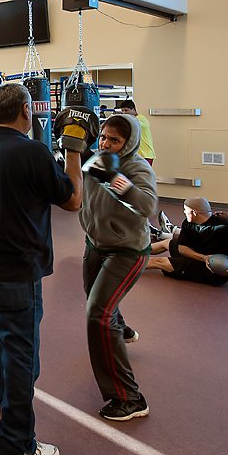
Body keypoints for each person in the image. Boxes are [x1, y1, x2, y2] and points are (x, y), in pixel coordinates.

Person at [0, 83, 85, 455]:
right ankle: (15, 445)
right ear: (26, 111)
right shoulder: (33, 152)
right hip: (15, 269)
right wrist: (74, 151)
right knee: (21, 355)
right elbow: (73, 201)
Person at [72, 112, 156, 422]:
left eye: (115, 140)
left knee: (98, 314)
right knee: (96, 299)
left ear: (129, 143)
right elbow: (75, 186)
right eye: (104, 137)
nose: (106, 144)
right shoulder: (96, 158)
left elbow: (148, 206)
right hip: (96, 244)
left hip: (127, 251)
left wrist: (116, 180)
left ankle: (129, 398)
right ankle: (122, 329)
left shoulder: (137, 167)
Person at [149, 197, 228, 284]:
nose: (184, 212)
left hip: (212, 272)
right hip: (200, 257)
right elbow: (182, 248)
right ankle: (137, 251)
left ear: (194, 212)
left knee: (159, 261)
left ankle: (136, 264)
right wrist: (203, 258)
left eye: (185, 210)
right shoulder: (188, 223)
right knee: (167, 243)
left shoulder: (227, 227)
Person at [114, 100, 155, 166]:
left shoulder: (141, 119)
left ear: (133, 109)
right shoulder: (130, 121)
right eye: (122, 111)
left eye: (126, 110)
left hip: (145, 154)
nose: (124, 113)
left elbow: (135, 123)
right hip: (135, 154)